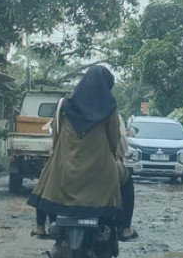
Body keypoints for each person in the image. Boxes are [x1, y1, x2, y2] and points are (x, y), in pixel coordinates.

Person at [27, 65, 137, 241]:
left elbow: (56, 136)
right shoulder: (110, 107)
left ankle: (40, 226)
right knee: (127, 180)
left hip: (66, 169)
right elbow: (114, 140)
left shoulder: (64, 104)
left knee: (46, 177)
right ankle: (125, 229)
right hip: (100, 172)